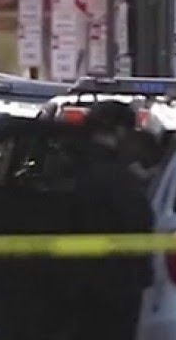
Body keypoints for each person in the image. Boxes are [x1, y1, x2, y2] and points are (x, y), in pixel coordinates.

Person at [67, 101, 154, 340]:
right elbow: (139, 221)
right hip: (116, 284)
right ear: (119, 131)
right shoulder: (116, 177)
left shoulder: (74, 167)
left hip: (81, 283)